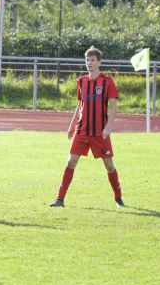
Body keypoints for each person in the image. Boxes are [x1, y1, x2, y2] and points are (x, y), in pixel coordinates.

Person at [49, 46, 124, 208]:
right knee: (70, 163)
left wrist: (108, 127)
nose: (89, 63)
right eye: (87, 60)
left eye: (92, 60)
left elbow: (114, 107)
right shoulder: (81, 82)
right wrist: (72, 125)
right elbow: (80, 105)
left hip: (100, 132)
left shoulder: (107, 82)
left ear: (99, 62)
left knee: (109, 166)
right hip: (81, 131)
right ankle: (59, 199)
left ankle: (118, 199)